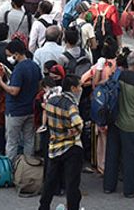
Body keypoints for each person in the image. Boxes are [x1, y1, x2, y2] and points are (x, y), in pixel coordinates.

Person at [103, 51, 134, 198]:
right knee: (130, 158)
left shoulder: (119, 75)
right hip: (132, 124)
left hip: (115, 120)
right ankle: (129, 189)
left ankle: (108, 186)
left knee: (112, 155)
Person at [39, 74, 84, 210]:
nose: (81, 88)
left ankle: (43, 206)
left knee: (50, 181)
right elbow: (78, 124)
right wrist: (71, 131)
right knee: (72, 184)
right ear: (73, 88)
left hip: (54, 146)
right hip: (71, 146)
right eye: (79, 86)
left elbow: (46, 112)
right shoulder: (71, 106)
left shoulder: (52, 101)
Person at [0, 39, 41, 160]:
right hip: (30, 109)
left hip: (15, 111)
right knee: (29, 140)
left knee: (12, 142)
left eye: (9, 55)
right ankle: (28, 167)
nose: (9, 58)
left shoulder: (19, 69)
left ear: (16, 54)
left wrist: (0, 83)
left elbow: (14, 91)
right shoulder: (34, 66)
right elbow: (39, 86)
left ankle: (10, 169)